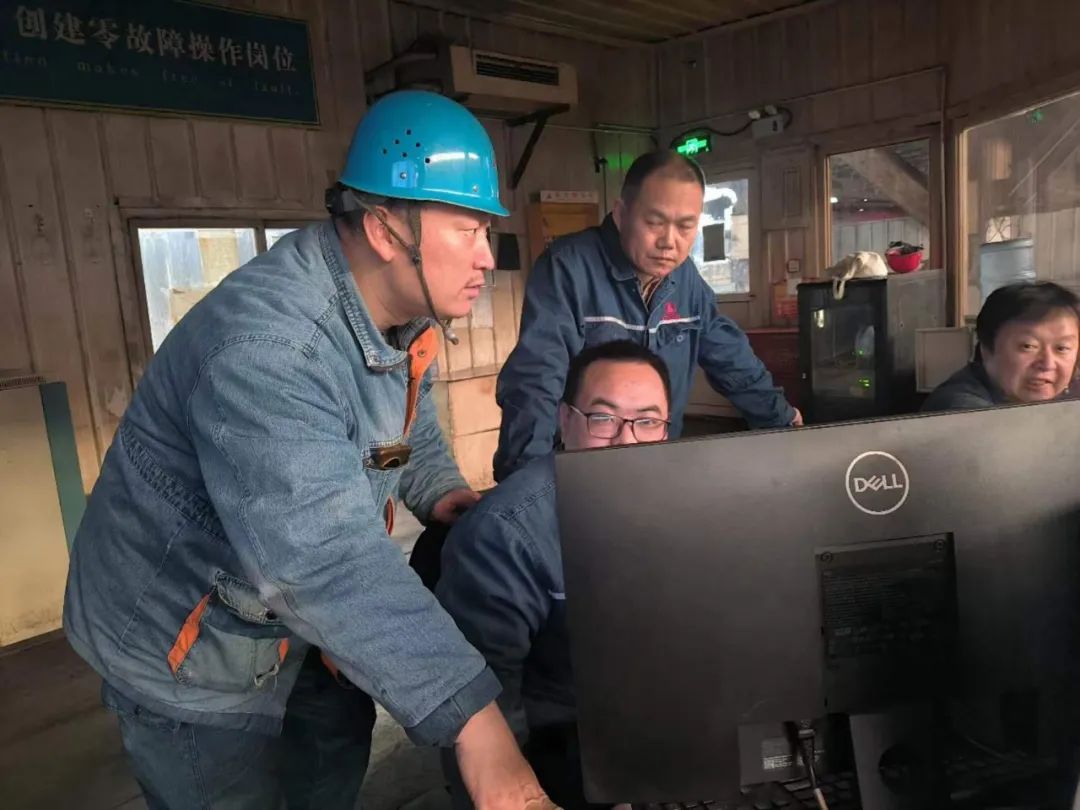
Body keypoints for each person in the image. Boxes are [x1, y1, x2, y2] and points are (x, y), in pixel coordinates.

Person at [63, 90, 552, 810]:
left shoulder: (400, 311)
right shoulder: (270, 350)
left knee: (326, 775)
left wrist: (440, 490)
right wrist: (477, 724)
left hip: (301, 625)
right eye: (469, 229)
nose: (489, 256)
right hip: (191, 647)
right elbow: (322, 558)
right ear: (386, 230)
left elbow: (403, 419)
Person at [438, 340, 673, 809]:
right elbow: (480, 702)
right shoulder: (505, 533)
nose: (627, 441)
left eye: (647, 422)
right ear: (565, 421)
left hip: (657, 717)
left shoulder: (692, 500)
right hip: (561, 743)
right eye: (603, 418)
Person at [493, 150, 799, 482]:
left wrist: (782, 423)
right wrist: (527, 485)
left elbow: (731, 358)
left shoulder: (686, 280)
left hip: (656, 464)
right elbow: (536, 381)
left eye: (686, 227)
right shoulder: (568, 268)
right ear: (621, 213)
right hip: (580, 471)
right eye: (654, 223)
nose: (669, 242)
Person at [922, 281, 1079, 411]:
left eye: (1062, 348)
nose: (1047, 364)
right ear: (987, 348)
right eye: (1028, 346)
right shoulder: (963, 410)